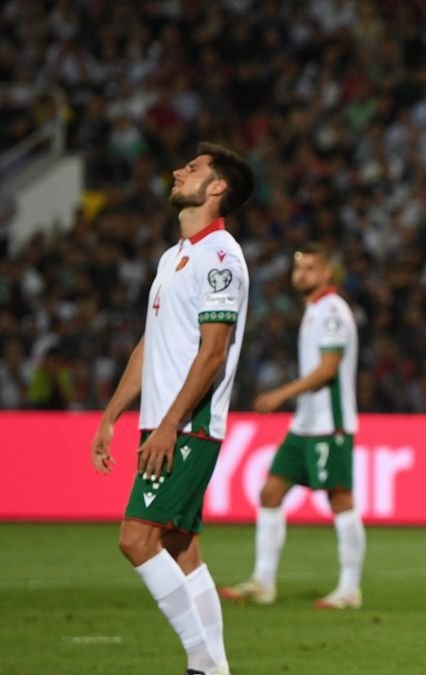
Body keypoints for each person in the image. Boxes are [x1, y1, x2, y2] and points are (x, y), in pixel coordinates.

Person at [90, 142, 254, 675]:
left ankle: (203, 664)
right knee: (182, 548)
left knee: (136, 539)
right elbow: (150, 343)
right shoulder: (174, 255)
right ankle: (215, 666)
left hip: (187, 427)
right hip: (163, 423)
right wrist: (113, 414)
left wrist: (168, 425)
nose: (177, 170)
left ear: (216, 188)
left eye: (193, 167)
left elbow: (213, 353)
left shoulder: (221, 257)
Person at [219, 243, 364, 609]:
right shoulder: (314, 310)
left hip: (330, 424)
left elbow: (328, 369)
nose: (302, 274)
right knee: (270, 492)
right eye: (298, 268)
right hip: (306, 423)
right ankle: (263, 582)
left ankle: (349, 588)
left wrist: (281, 394)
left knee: (339, 498)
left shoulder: (331, 310)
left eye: (311, 268)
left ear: (327, 273)